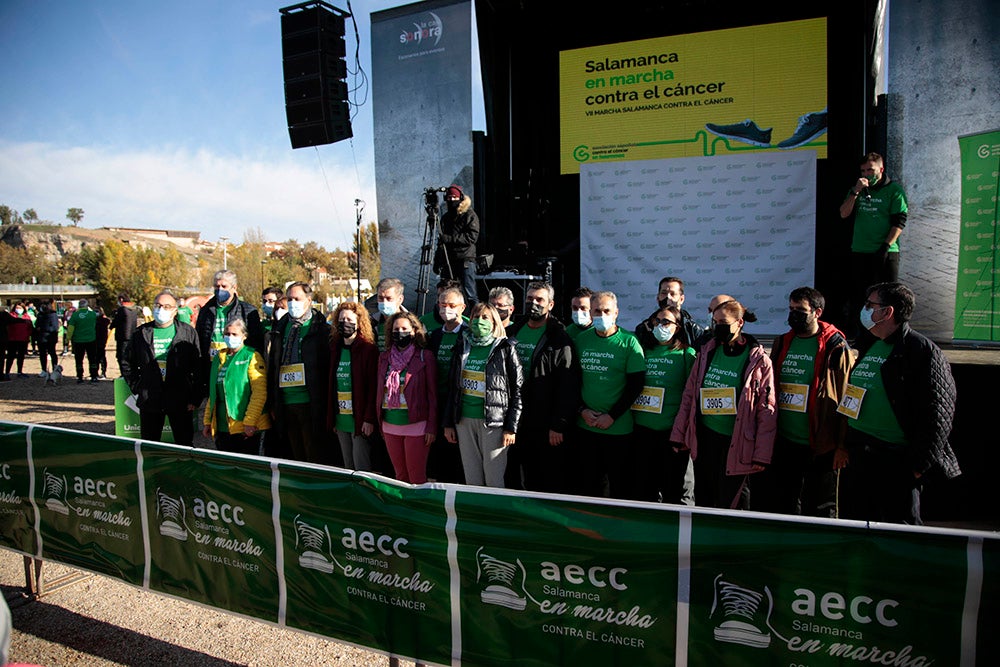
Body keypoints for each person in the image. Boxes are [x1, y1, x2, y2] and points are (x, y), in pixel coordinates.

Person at [839, 282, 959, 525]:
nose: (864, 310)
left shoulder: (921, 350)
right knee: (858, 528)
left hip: (896, 460)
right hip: (861, 454)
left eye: (870, 305)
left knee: (899, 531)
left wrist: (917, 466)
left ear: (888, 312)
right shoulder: (869, 343)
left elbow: (939, 415)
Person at [671, 299, 776, 509]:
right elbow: (689, 396)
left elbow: (767, 409)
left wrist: (762, 454)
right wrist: (679, 434)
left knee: (732, 501)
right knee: (705, 499)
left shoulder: (759, 360)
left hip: (737, 442)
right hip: (706, 439)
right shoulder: (707, 352)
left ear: (739, 323)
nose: (718, 326)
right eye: (715, 321)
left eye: (724, 322)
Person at [759, 287, 853, 517]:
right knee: (784, 501)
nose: (793, 314)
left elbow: (846, 398)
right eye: (791, 309)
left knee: (818, 505)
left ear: (817, 312)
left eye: (800, 310)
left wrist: (842, 445)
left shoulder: (836, 348)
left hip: (820, 442)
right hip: (784, 439)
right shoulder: (782, 342)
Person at [507, 281, 580, 493]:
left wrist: (558, 424)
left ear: (551, 304)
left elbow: (568, 385)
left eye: (540, 300)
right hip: (512, 416)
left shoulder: (559, 338)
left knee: (540, 475)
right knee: (511, 471)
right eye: (530, 299)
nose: (534, 304)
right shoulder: (512, 331)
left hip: (543, 420)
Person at [443, 303, 523, 488]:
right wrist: (448, 423)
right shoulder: (462, 346)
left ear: (494, 322)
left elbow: (517, 390)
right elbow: (452, 388)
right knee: (472, 478)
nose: (480, 321)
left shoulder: (505, 348)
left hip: (493, 423)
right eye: (476, 317)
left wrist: (511, 427)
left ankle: (494, 515)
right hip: (464, 420)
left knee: (494, 478)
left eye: (485, 317)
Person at [575, 291, 646, 499]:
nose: (602, 315)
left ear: (616, 313)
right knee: (589, 485)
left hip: (618, 429)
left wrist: (612, 416)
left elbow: (636, 385)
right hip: (586, 425)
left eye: (606, 311)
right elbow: (573, 381)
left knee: (618, 486)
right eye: (597, 311)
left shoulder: (629, 342)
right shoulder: (581, 340)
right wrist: (582, 410)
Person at [633, 304, 697, 504]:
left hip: (671, 433)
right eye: (657, 321)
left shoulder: (687, 354)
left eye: (666, 322)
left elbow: (691, 395)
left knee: (673, 488)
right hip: (642, 430)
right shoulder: (642, 350)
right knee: (644, 487)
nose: (661, 325)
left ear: (677, 327)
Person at [121, 291, 202, 446]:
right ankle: (153, 470)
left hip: (180, 397)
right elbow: (126, 362)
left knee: (184, 441)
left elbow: (197, 366)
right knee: (150, 444)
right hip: (150, 397)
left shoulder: (187, 332)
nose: (161, 310)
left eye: (166, 306)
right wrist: (137, 385)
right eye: (158, 305)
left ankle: (184, 469)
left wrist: (195, 397)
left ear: (175, 310)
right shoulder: (141, 333)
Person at [839, 152, 908, 336]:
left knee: (889, 297)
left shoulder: (894, 191)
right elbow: (843, 214)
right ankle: (860, 335)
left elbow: (899, 221)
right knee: (859, 296)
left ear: (881, 169)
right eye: (863, 170)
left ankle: (892, 335)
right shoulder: (857, 189)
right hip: (861, 250)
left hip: (885, 251)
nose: (867, 173)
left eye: (871, 169)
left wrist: (885, 247)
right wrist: (855, 191)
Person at [266, 282, 331, 464]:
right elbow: (273, 365)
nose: (293, 303)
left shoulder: (320, 329)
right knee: (295, 455)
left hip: (310, 402)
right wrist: (273, 401)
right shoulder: (280, 327)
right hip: (285, 401)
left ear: (309, 301)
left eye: (297, 299)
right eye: (290, 299)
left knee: (314, 455)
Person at [376, 311, 438, 484]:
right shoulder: (384, 358)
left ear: (414, 331)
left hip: (417, 426)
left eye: (404, 328)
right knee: (400, 476)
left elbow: (432, 395)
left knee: (416, 477)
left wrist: (431, 427)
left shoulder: (425, 357)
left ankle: (419, 509)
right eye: (396, 329)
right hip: (390, 425)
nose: (400, 332)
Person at [202, 318, 270, 455]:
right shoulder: (219, 358)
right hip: (222, 426)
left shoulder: (252, 356)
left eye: (234, 334)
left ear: (244, 336)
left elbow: (259, 392)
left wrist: (250, 421)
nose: (230, 337)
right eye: (227, 334)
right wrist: (207, 421)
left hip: (244, 426)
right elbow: (213, 393)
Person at [426, 286, 470, 483]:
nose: (447, 310)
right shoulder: (434, 335)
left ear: (462, 307)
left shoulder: (469, 335)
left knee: (458, 454)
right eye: (443, 305)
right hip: (436, 400)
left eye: (452, 305)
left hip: (458, 404)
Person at [328, 301, 378, 471]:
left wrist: (369, 418)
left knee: (361, 466)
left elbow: (373, 388)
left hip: (360, 419)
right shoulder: (334, 348)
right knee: (348, 466)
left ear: (359, 322)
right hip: (341, 418)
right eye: (341, 320)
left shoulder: (368, 350)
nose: (345, 324)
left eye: (349, 319)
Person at [195, 269, 264, 388]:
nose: (219, 290)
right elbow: (200, 339)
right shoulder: (206, 311)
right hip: (211, 366)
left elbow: (255, 342)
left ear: (234, 287)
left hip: (237, 366)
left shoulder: (248, 311)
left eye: (224, 286)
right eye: (216, 286)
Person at [435, 184, 480, 306]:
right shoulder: (446, 218)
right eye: (449, 198)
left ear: (460, 198)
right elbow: (441, 242)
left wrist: (449, 239)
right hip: (448, 260)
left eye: (454, 198)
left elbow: (472, 237)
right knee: (446, 293)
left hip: (465, 259)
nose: (452, 201)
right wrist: (437, 261)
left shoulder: (469, 215)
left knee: (470, 293)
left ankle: (476, 318)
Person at [634, 277, 705, 351]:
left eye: (672, 294)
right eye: (664, 293)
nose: (668, 297)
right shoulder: (643, 329)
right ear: (658, 298)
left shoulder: (693, 330)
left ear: (681, 299)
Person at [67, 298, 100, 384]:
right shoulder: (92, 314)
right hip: (91, 339)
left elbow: (70, 329)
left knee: (79, 360)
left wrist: (68, 338)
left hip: (78, 341)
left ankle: (80, 377)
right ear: (87, 305)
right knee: (92, 359)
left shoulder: (75, 315)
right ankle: (94, 376)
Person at [372, 277, 408, 350]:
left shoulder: (412, 323)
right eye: (380, 298)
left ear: (400, 299)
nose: (384, 302)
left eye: (389, 298)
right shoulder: (371, 323)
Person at [109, 293, 139, 373]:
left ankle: (124, 375)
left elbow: (116, 322)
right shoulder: (134, 309)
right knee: (131, 356)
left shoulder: (122, 309)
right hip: (132, 335)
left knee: (121, 356)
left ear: (121, 299)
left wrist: (111, 324)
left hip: (122, 336)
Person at [34, 299, 61, 380]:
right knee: (42, 354)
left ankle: (55, 369)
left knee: (52, 353)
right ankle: (44, 370)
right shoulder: (39, 315)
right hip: (41, 338)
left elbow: (55, 328)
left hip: (50, 338)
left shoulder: (53, 315)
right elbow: (36, 325)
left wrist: (42, 328)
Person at [3, 302, 32, 378]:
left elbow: (30, 328)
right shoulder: (11, 316)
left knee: (21, 356)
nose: (18, 309)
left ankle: (19, 372)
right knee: (10, 356)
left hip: (23, 339)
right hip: (12, 339)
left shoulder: (27, 317)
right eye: (17, 308)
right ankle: (7, 372)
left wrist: (28, 336)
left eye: (20, 308)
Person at [94, 306, 111, 379]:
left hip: (100, 340)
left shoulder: (104, 320)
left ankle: (103, 372)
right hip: (96, 340)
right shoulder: (95, 320)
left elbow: (108, 321)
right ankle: (96, 372)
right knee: (97, 357)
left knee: (101, 357)